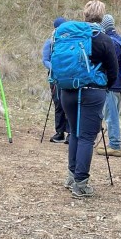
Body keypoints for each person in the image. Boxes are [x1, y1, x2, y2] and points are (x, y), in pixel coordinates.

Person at [57, 0, 119, 197]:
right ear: (102, 17)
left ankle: (71, 176)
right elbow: (113, 70)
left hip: (67, 89)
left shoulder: (68, 35)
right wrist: (105, 86)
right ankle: (81, 184)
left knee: (74, 133)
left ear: (84, 14)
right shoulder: (102, 39)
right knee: (86, 137)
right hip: (92, 91)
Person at [97, 14, 121, 157]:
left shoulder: (110, 41)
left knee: (111, 115)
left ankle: (114, 145)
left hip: (111, 84)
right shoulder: (120, 39)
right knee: (113, 114)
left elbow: (109, 64)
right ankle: (113, 143)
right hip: (120, 84)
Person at [42, 16, 69, 144]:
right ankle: (60, 132)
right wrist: (55, 68)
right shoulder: (50, 42)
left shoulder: (71, 40)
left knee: (69, 103)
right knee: (58, 103)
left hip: (69, 75)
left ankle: (70, 132)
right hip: (55, 77)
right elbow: (45, 59)